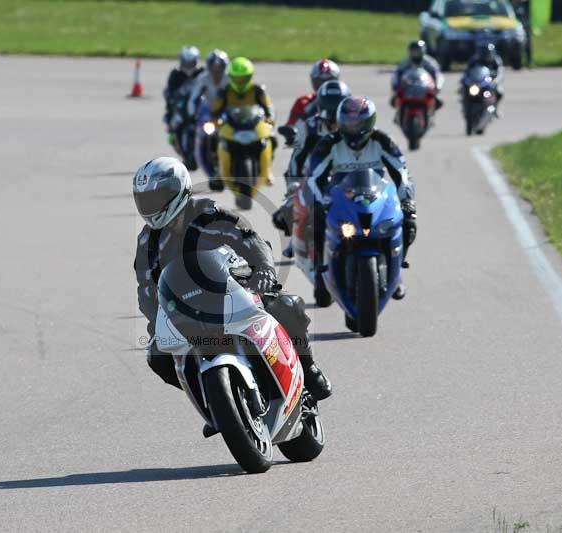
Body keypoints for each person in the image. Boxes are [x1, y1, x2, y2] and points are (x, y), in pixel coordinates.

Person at [132, 157, 333, 409]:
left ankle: (308, 368)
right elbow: (145, 289)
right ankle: (213, 401)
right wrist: (156, 320)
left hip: (236, 290)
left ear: (179, 189)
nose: (152, 205)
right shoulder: (147, 242)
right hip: (186, 308)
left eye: (159, 196)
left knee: (286, 305)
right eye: (146, 199)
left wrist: (263, 272)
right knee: (157, 355)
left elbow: (253, 242)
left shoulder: (212, 215)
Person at [307, 96, 417, 298]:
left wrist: (407, 200)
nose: (354, 129)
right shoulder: (328, 143)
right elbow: (314, 177)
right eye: (349, 123)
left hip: (377, 195)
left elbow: (402, 173)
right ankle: (319, 272)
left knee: (408, 223)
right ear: (340, 122)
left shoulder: (383, 141)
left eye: (359, 123)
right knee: (315, 222)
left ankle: (398, 271)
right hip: (340, 196)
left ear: (370, 122)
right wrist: (321, 201)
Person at [273, 80, 352, 258]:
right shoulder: (309, 126)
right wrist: (294, 185)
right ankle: (295, 239)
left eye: (337, 106)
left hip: (346, 177)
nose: (332, 118)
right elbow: (297, 157)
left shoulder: (354, 125)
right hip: (313, 176)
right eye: (328, 108)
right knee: (288, 210)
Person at [211, 57, 275, 184]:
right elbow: (216, 109)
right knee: (212, 139)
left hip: (253, 123)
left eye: (243, 78)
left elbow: (268, 107)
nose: (240, 82)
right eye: (237, 78)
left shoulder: (258, 90)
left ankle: (267, 170)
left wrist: (270, 119)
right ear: (230, 77)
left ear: (250, 77)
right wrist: (214, 121)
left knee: (272, 139)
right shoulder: (224, 91)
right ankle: (218, 170)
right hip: (231, 124)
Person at [163, 46, 204, 148]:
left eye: (191, 63)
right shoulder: (175, 75)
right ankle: (178, 141)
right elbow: (169, 95)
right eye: (186, 63)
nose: (188, 66)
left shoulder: (202, 74)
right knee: (174, 123)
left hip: (198, 109)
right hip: (180, 109)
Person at [285, 59, 341, 131]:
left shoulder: (344, 102)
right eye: (320, 81)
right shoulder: (303, 102)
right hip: (310, 139)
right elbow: (291, 126)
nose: (323, 85)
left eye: (329, 80)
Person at [391, 40, 444, 109]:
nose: (415, 53)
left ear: (422, 50)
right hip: (409, 88)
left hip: (425, 87)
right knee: (397, 98)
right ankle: (399, 112)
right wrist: (395, 84)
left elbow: (437, 74)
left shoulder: (429, 62)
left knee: (435, 99)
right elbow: (397, 73)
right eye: (413, 51)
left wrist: (437, 86)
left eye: (417, 51)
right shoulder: (405, 62)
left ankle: (430, 111)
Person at [187, 49, 229, 121]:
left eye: (219, 67)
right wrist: (192, 115)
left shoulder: (229, 79)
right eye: (214, 67)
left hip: (224, 110)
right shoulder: (203, 78)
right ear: (209, 66)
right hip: (206, 111)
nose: (216, 70)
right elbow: (193, 99)